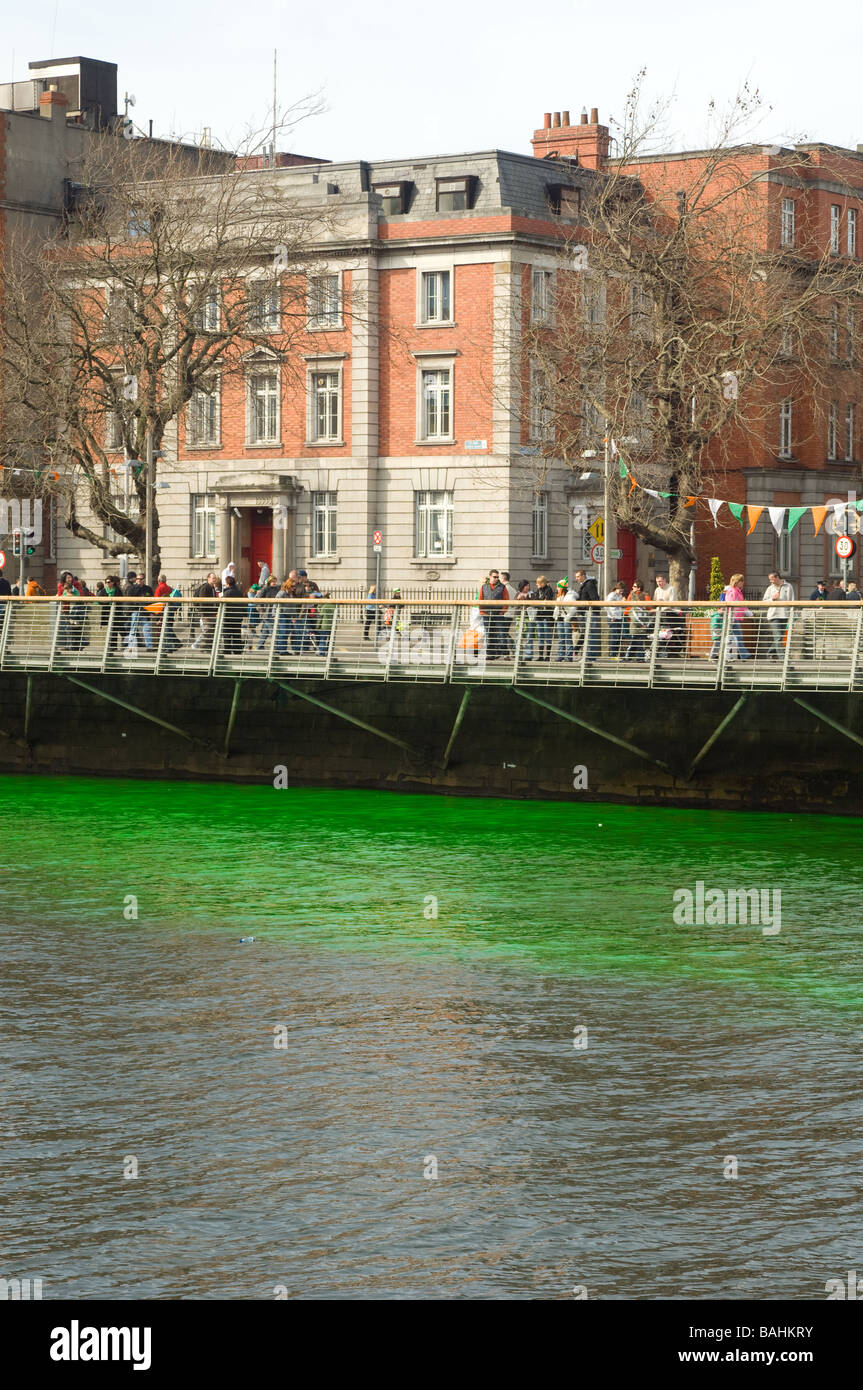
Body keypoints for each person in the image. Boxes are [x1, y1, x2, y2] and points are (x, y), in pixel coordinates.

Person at [761, 571, 795, 659]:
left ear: (777, 578)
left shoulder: (788, 586)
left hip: (785, 615)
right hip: (774, 615)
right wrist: (772, 599)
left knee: (779, 637)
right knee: (778, 637)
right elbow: (764, 601)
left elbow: (792, 600)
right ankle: (783, 659)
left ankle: (770, 652)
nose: (770, 581)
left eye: (771, 579)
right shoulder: (770, 588)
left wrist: (792, 614)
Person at [479, 569, 508, 659]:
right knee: (489, 635)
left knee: (501, 634)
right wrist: (482, 612)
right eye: (494, 577)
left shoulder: (502, 587)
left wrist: (502, 612)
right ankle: (490, 654)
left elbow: (506, 600)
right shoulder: (484, 587)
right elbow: (480, 599)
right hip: (487, 614)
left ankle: (505, 654)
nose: (496, 579)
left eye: (497, 577)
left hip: (498, 614)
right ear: (490, 577)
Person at [124, 571, 154, 658]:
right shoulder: (132, 588)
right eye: (137, 579)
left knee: (147, 629)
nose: (139, 581)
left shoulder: (148, 589)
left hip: (145, 612)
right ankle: (131, 647)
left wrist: (151, 612)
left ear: (144, 580)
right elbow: (130, 597)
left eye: (141, 579)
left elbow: (151, 601)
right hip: (136, 611)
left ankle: (149, 646)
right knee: (133, 630)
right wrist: (137, 587)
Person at [722, 573, 752, 659]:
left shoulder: (737, 591)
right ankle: (744, 655)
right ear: (737, 582)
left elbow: (742, 605)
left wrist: (749, 614)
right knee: (738, 636)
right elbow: (731, 604)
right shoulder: (733, 591)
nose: (743, 583)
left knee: (734, 636)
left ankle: (729, 656)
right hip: (733, 617)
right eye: (741, 581)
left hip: (735, 617)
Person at [574, 568, 601, 661]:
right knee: (588, 634)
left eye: (578, 577)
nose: (576, 579)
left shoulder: (589, 585)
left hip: (590, 612)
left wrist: (585, 607)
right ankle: (588, 656)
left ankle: (590, 656)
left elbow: (594, 599)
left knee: (590, 634)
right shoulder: (586, 585)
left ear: (583, 576)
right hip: (587, 612)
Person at [192, 571, 220, 651]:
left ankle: (209, 646)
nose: (214, 580)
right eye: (213, 578)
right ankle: (204, 646)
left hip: (212, 613)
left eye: (215, 578)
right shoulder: (205, 587)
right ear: (208, 579)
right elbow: (202, 601)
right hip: (207, 613)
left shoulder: (212, 588)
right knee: (207, 630)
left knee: (211, 630)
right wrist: (204, 613)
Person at [624, 581, 651, 661]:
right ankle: (633, 656)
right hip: (634, 620)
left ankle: (632, 656)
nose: (633, 588)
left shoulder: (645, 596)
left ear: (639, 588)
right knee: (635, 639)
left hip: (641, 620)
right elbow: (628, 607)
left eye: (634, 586)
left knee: (637, 639)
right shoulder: (631, 595)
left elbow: (649, 607)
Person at [530, 575, 555, 661]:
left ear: (542, 583)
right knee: (540, 635)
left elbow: (546, 601)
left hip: (546, 616)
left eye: (538, 583)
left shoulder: (548, 590)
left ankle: (547, 656)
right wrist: (540, 602)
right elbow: (535, 601)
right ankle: (541, 655)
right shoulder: (538, 591)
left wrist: (539, 602)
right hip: (539, 616)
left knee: (547, 635)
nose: (537, 584)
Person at [221, 572, 245, 654]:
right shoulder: (239, 592)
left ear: (227, 583)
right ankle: (237, 650)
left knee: (227, 634)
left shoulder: (227, 593)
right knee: (237, 633)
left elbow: (224, 604)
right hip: (238, 616)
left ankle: (227, 650)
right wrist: (243, 614)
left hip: (228, 616)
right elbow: (244, 604)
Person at [604, 580, 627, 658]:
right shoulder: (611, 595)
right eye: (620, 590)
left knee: (618, 636)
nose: (621, 592)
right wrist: (611, 616)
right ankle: (612, 654)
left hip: (619, 617)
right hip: (612, 618)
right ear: (617, 588)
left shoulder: (620, 596)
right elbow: (606, 606)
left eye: (622, 591)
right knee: (614, 636)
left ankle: (616, 653)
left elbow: (621, 606)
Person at [554, 579, 575, 662]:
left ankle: (569, 656)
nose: (557, 588)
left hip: (566, 618)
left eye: (558, 587)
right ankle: (561, 655)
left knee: (568, 637)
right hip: (560, 618)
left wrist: (568, 617)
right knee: (561, 638)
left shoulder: (570, 595)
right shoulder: (559, 596)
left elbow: (573, 608)